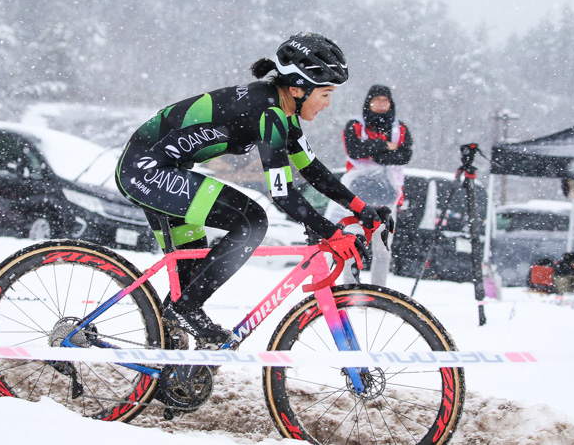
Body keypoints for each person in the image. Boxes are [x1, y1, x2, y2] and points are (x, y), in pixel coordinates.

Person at [115, 32, 393, 349]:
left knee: (191, 276)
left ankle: (170, 360)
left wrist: (361, 208)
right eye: (325, 94)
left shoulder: (282, 113)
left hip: (167, 169)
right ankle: (183, 311)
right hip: (146, 169)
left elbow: (312, 170)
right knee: (249, 220)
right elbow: (282, 193)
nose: (328, 104)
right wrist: (331, 232)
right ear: (297, 89)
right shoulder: (267, 112)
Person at [325, 84, 412, 286]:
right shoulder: (355, 125)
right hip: (357, 192)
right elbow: (354, 150)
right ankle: (349, 285)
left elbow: (404, 155)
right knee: (352, 241)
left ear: (391, 103)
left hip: (387, 194)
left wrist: (372, 152)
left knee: (383, 247)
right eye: (377, 100)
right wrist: (385, 147)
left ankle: (379, 289)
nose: (381, 104)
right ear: (368, 102)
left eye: (385, 100)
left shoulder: (400, 128)